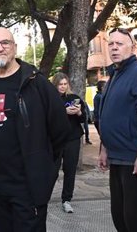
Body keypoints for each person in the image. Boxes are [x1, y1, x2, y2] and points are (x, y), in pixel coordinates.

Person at [0, 27, 70, 231]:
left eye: (5, 43)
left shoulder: (36, 83)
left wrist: (44, 168)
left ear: (15, 47)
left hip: (28, 187)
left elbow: (60, 130)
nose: (0, 48)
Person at [98, 28, 137, 232]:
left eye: (120, 44)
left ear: (132, 47)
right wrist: (104, 148)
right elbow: (109, 114)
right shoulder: (115, 73)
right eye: (111, 44)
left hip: (134, 162)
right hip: (116, 160)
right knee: (121, 219)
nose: (114, 48)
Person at [51, 72, 85, 214]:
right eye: (60, 84)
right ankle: (43, 197)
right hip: (56, 140)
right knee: (52, 171)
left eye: (65, 84)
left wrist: (78, 113)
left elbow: (83, 119)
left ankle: (66, 200)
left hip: (73, 139)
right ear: (55, 85)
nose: (63, 87)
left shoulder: (74, 98)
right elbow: (47, 118)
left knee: (70, 170)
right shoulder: (50, 99)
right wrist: (63, 111)